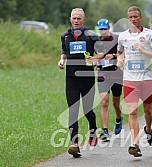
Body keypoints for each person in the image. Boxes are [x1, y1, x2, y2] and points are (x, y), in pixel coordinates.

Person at [116, 6, 152, 157]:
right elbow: (119, 52)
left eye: (136, 17)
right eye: (131, 17)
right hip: (129, 79)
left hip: (146, 78)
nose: (133, 19)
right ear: (128, 19)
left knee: (148, 110)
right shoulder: (123, 36)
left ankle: (148, 129)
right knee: (132, 111)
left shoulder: (149, 35)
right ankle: (134, 144)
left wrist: (144, 51)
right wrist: (119, 60)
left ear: (140, 18)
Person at [57, 8, 99, 158]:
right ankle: (75, 144)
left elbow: (101, 53)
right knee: (73, 110)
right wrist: (62, 60)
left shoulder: (92, 36)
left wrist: (95, 61)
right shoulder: (65, 36)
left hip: (87, 77)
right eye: (74, 18)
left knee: (88, 110)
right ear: (70, 19)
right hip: (71, 78)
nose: (76, 21)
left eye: (79, 18)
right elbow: (64, 51)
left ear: (84, 20)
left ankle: (93, 130)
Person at [89, 18, 123, 142]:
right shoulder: (96, 42)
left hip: (116, 74)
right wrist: (94, 61)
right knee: (104, 102)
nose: (103, 32)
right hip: (103, 74)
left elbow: (124, 54)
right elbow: (93, 56)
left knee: (115, 103)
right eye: (101, 29)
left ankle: (119, 118)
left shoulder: (116, 39)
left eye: (105, 29)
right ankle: (104, 131)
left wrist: (113, 56)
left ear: (109, 28)